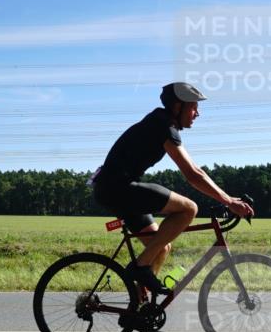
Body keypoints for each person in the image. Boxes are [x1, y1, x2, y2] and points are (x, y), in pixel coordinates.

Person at [91, 82, 255, 297]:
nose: (198, 113)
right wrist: (228, 202)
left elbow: (197, 170)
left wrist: (228, 198)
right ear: (178, 106)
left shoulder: (162, 123)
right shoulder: (162, 126)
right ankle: (140, 269)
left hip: (114, 189)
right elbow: (193, 175)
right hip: (117, 188)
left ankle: (140, 304)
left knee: (161, 247)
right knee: (188, 209)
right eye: (194, 107)